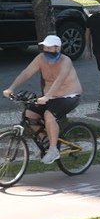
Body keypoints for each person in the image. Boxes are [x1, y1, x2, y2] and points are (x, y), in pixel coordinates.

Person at [2, 35, 83, 164]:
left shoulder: (65, 61)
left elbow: (59, 80)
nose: (46, 52)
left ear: (58, 48)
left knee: (49, 115)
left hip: (68, 96)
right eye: (45, 48)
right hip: (50, 96)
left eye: (49, 48)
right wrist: (11, 88)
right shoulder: (40, 58)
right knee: (29, 114)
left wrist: (47, 97)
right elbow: (26, 73)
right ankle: (46, 140)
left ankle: (53, 150)